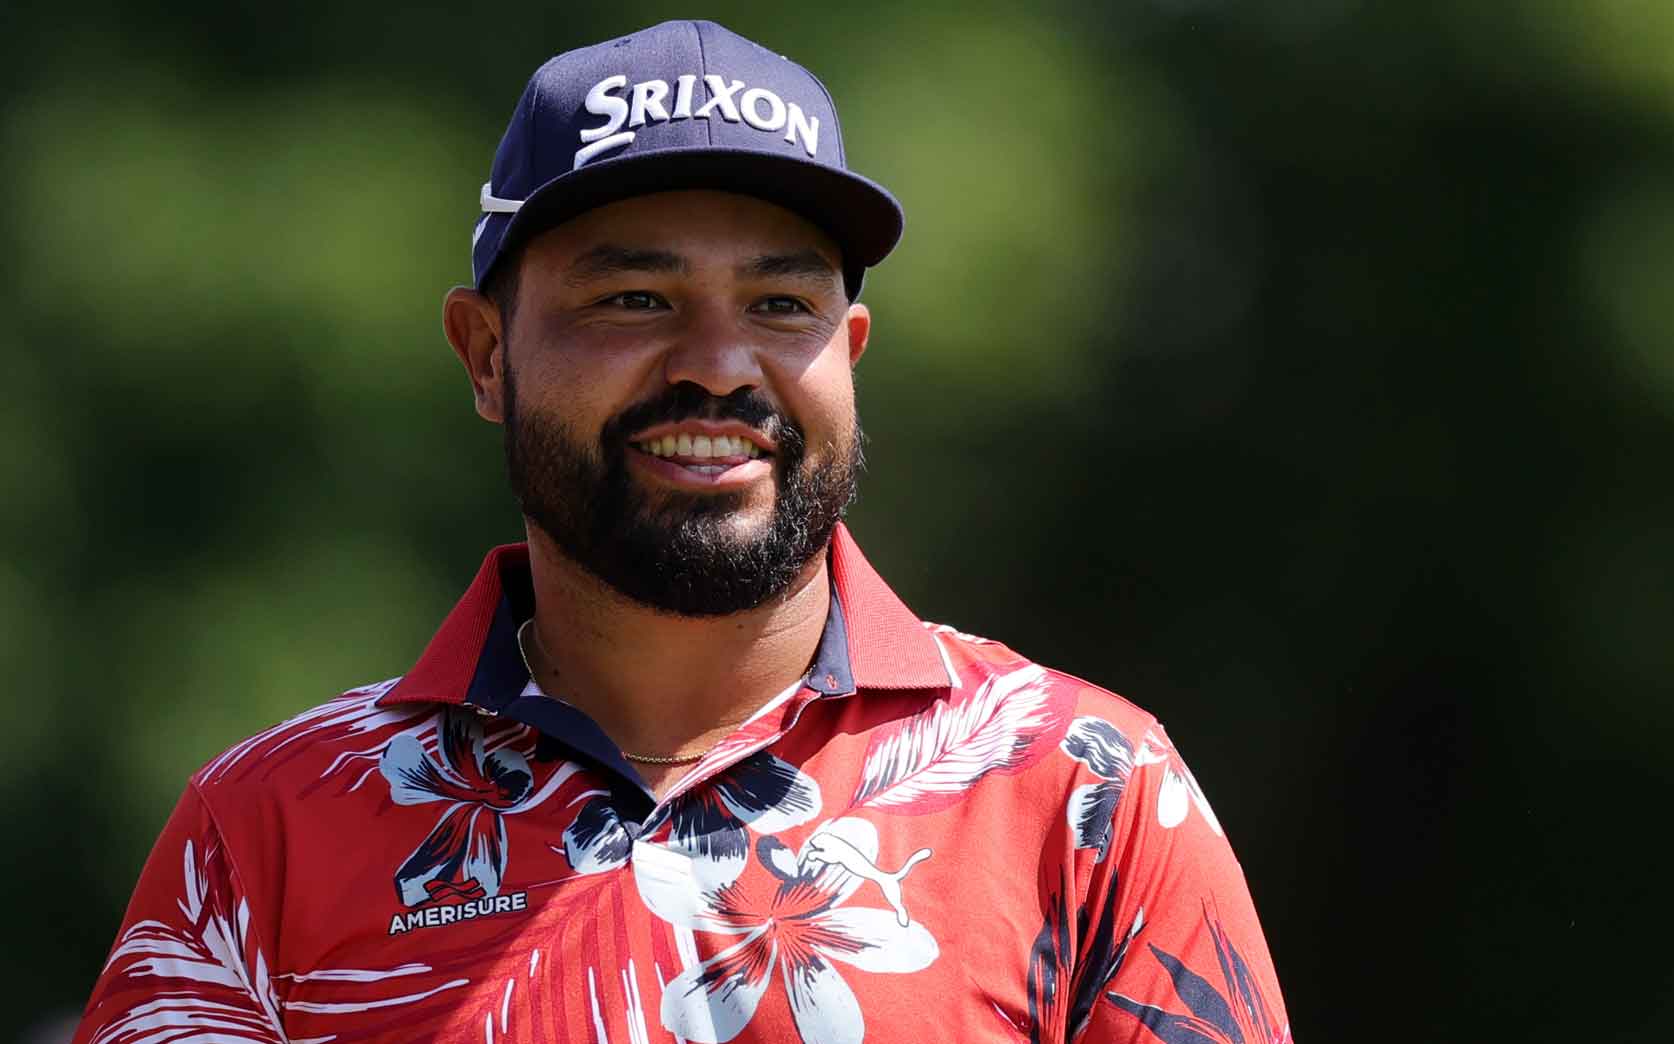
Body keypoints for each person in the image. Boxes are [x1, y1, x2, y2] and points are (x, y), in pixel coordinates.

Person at [75, 19, 1292, 1044]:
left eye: (779, 304)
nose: (719, 368)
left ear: (849, 353)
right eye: (634, 299)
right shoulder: (264, 830)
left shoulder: (1086, 792)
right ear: (486, 354)